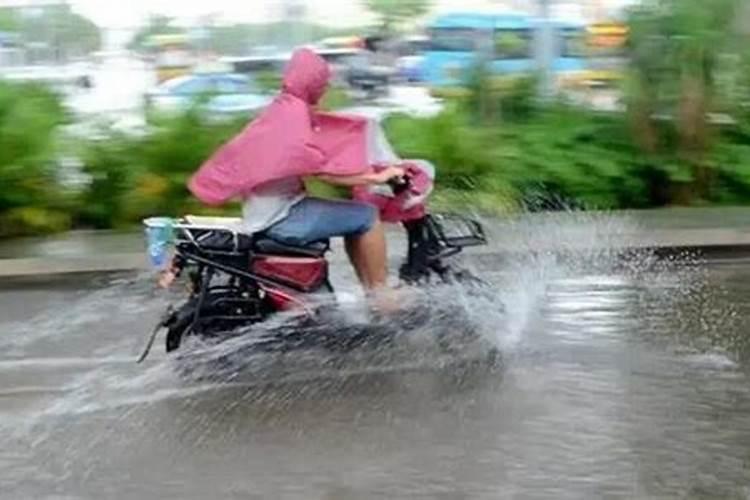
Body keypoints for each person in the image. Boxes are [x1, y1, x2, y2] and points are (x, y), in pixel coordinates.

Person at [187, 48, 404, 294]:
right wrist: (376, 177)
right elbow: (320, 170)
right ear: (312, 81)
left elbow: (312, 150)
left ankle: (370, 291)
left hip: (265, 214)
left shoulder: (282, 109)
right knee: (367, 216)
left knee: (353, 219)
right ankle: (383, 294)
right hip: (282, 218)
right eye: (324, 81)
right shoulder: (294, 115)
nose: (326, 87)